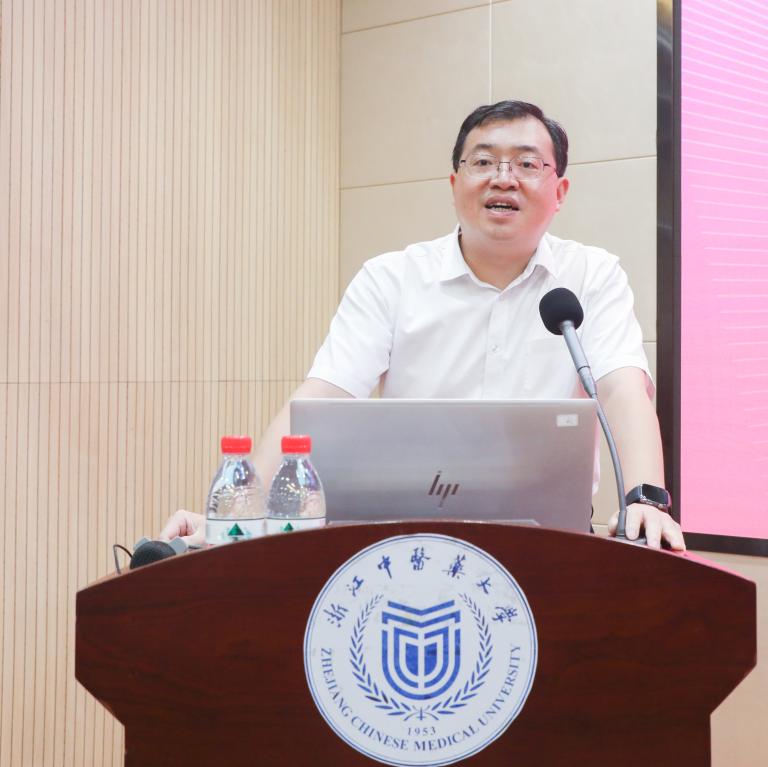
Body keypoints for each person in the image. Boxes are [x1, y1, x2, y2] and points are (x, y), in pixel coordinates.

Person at [161, 100, 685, 550]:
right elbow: (324, 396)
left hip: (551, 542)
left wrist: (646, 500)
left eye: (527, 164)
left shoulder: (591, 276)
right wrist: (240, 512)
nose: (503, 178)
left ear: (560, 191)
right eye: (483, 162)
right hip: (401, 540)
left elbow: (622, 389)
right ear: (455, 184)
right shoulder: (391, 278)